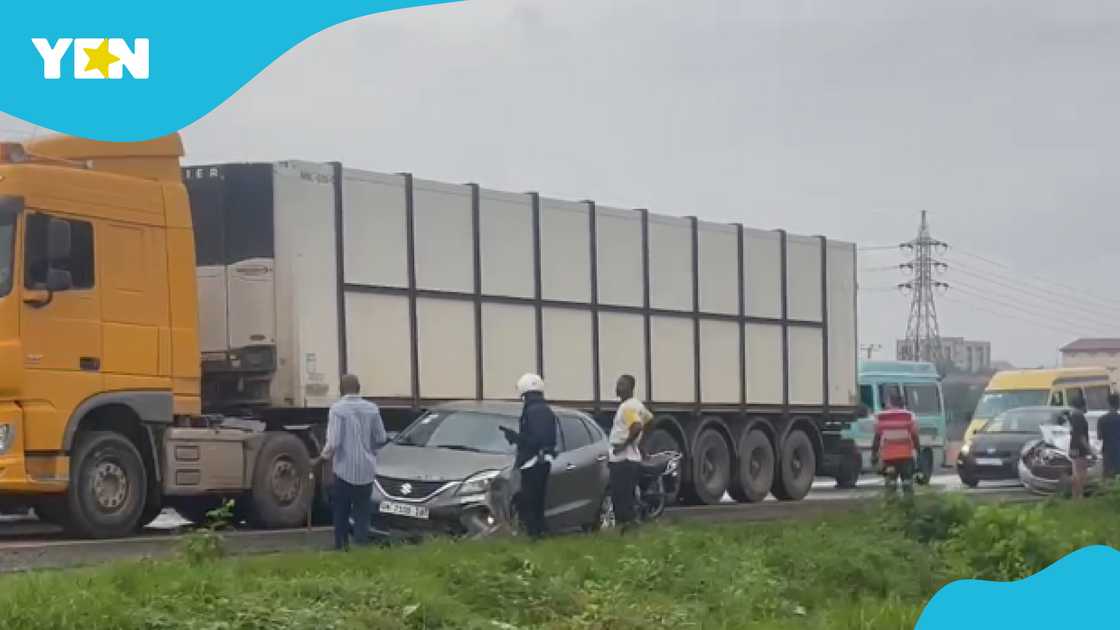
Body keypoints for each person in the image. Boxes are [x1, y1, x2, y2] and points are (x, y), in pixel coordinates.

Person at [316, 374, 386, 550]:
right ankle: (361, 547)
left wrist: (321, 458)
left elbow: (333, 442)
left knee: (341, 512)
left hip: (344, 471)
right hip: (366, 471)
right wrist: (369, 450)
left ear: (341, 389)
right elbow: (381, 437)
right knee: (363, 513)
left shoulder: (337, 409)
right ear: (359, 388)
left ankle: (341, 547)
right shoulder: (372, 409)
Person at [507, 373, 558, 539]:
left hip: (533, 463)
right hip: (542, 461)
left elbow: (535, 439)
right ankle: (538, 534)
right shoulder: (545, 410)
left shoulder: (533, 411)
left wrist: (516, 438)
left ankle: (535, 536)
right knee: (537, 501)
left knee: (530, 503)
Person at [608, 374, 653, 533]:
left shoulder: (627, 407)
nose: (618, 387)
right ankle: (633, 526)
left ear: (630, 388)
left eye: (622, 384)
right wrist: (641, 445)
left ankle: (626, 530)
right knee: (629, 496)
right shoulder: (637, 405)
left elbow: (636, 426)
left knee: (621, 498)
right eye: (618, 384)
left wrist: (624, 445)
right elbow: (648, 420)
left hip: (623, 460)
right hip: (632, 459)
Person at [871, 393, 920, 496]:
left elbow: (877, 438)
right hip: (906, 457)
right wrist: (918, 451)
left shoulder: (881, 417)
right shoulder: (909, 416)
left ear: (890, 403)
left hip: (889, 458)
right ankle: (908, 507)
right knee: (907, 483)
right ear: (902, 403)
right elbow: (915, 436)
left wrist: (874, 454)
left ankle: (891, 507)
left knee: (890, 483)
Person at [1067, 393, 1091, 499]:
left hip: (1073, 447)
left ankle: (1075, 496)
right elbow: (1081, 436)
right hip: (1080, 449)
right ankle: (1079, 497)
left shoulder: (1072, 416)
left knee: (1076, 472)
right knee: (1081, 474)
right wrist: (1090, 450)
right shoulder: (1079, 417)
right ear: (1082, 405)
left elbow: (1073, 433)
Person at [1097, 393, 1120, 480]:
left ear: (1108, 404)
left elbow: (1100, 437)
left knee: (1108, 478)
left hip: (1107, 451)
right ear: (1118, 404)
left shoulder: (1102, 419)